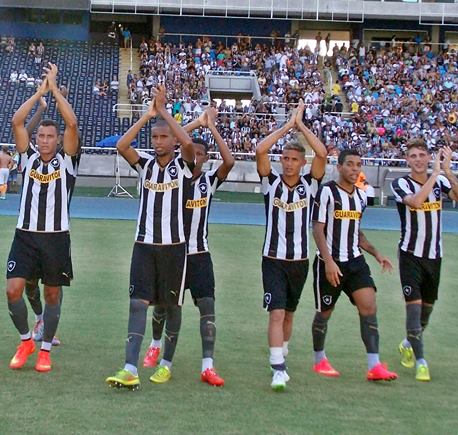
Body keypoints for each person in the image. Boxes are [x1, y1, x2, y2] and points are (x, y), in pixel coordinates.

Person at [105, 85, 196, 390]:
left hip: (174, 248)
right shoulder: (144, 165)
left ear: (171, 138)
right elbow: (122, 144)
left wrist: (165, 112)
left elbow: (188, 143)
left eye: (163, 137)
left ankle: (166, 364)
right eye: (155, 138)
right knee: (137, 304)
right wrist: (147, 116)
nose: (158, 142)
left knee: (171, 307)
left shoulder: (183, 167)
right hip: (143, 245)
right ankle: (130, 367)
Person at [143, 107, 235, 387]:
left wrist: (212, 128)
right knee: (165, 309)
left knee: (207, 307)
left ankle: (208, 365)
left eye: (200, 154)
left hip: (200, 255)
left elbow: (229, 161)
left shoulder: (208, 182)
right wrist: (193, 127)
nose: (195, 156)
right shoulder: (173, 177)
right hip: (173, 254)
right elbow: (177, 141)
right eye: (191, 151)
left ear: (205, 159)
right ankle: (157, 345)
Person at [5, 63, 79, 373]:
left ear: (58, 140)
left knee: (51, 293)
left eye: (51, 136)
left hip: (56, 237)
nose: (45, 140)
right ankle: (26, 341)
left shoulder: (67, 162)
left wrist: (57, 89)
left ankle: (45, 349)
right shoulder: (28, 158)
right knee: (13, 290)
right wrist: (39, 93)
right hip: (25, 235)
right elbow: (17, 121)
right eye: (42, 136)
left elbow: (72, 124)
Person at [254, 103, 328, 391]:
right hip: (272, 259)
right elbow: (261, 150)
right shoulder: (271, 183)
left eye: (294, 159)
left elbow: (322, 154)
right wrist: (286, 126)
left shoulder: (310, 185)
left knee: (290, 314)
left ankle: (281, 351)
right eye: (284, 158)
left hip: (299, 261)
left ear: (302, 163)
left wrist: (302, 126)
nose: (287, 163)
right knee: (276, 312)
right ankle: (277, 368)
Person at [311, 149, 397, 382]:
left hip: (355, 261)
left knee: (369, 306)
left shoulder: (360, 197)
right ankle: (319, 359)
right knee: (325, 312)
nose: (354, 169)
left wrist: (377, 253)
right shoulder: (327, 192)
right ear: (339, 167)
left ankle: (374, 365)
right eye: (349, 164)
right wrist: (328, 261)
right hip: (330, 262)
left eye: (358, 165)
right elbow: (318, 229)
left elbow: (356, 232)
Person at [392, 141, 458, 382]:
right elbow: (415, 202)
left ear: (428, 157)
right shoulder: (400, 183)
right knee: (414, 310)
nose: (418, 159)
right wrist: (434, 174)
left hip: (434, 256)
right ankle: (421, 363)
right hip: (410, 256)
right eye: (413, 155)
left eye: (422, 155)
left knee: (426, 312)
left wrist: (446, 170)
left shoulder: (441, 180)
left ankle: (407, 343)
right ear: (407, 160)